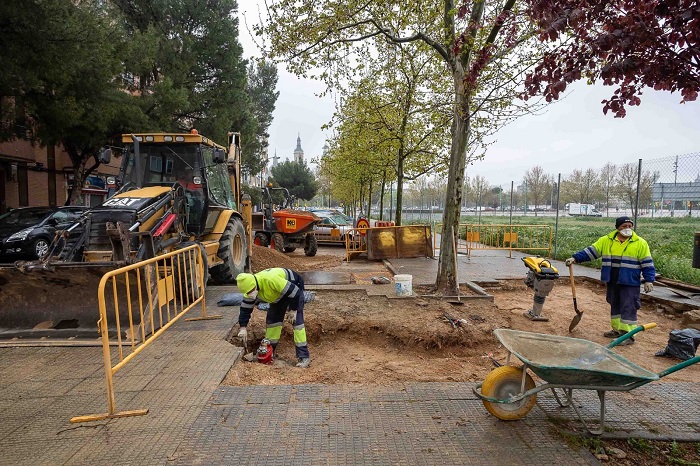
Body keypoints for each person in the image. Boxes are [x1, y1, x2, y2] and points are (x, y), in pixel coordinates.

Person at [565, 216, 655, 345]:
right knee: (615, 304)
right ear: (617, 227)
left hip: (629, 281)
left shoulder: (640, 243)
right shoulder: (606, 241)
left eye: (630, 226)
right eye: (624, 226)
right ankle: (617, 330)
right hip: (612, 280)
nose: (627, 229)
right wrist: (575, 258)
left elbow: (647, 263)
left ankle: (628, 336)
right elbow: (591, 252)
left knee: (628, 306)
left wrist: (649, 280)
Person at [236, 268, 311, 368]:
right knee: (273, 324)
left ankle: (304, 356)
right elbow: (245, 309)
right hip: (278, 296)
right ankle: (268, 352)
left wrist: (293, 310)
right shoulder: (250, 289)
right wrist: (243, 327)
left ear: (255, 286)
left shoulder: (271, 280)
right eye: (247, 293)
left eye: (251, 291)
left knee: (297, 324)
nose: (250, 294)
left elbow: (295, 292)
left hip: (294, 287)